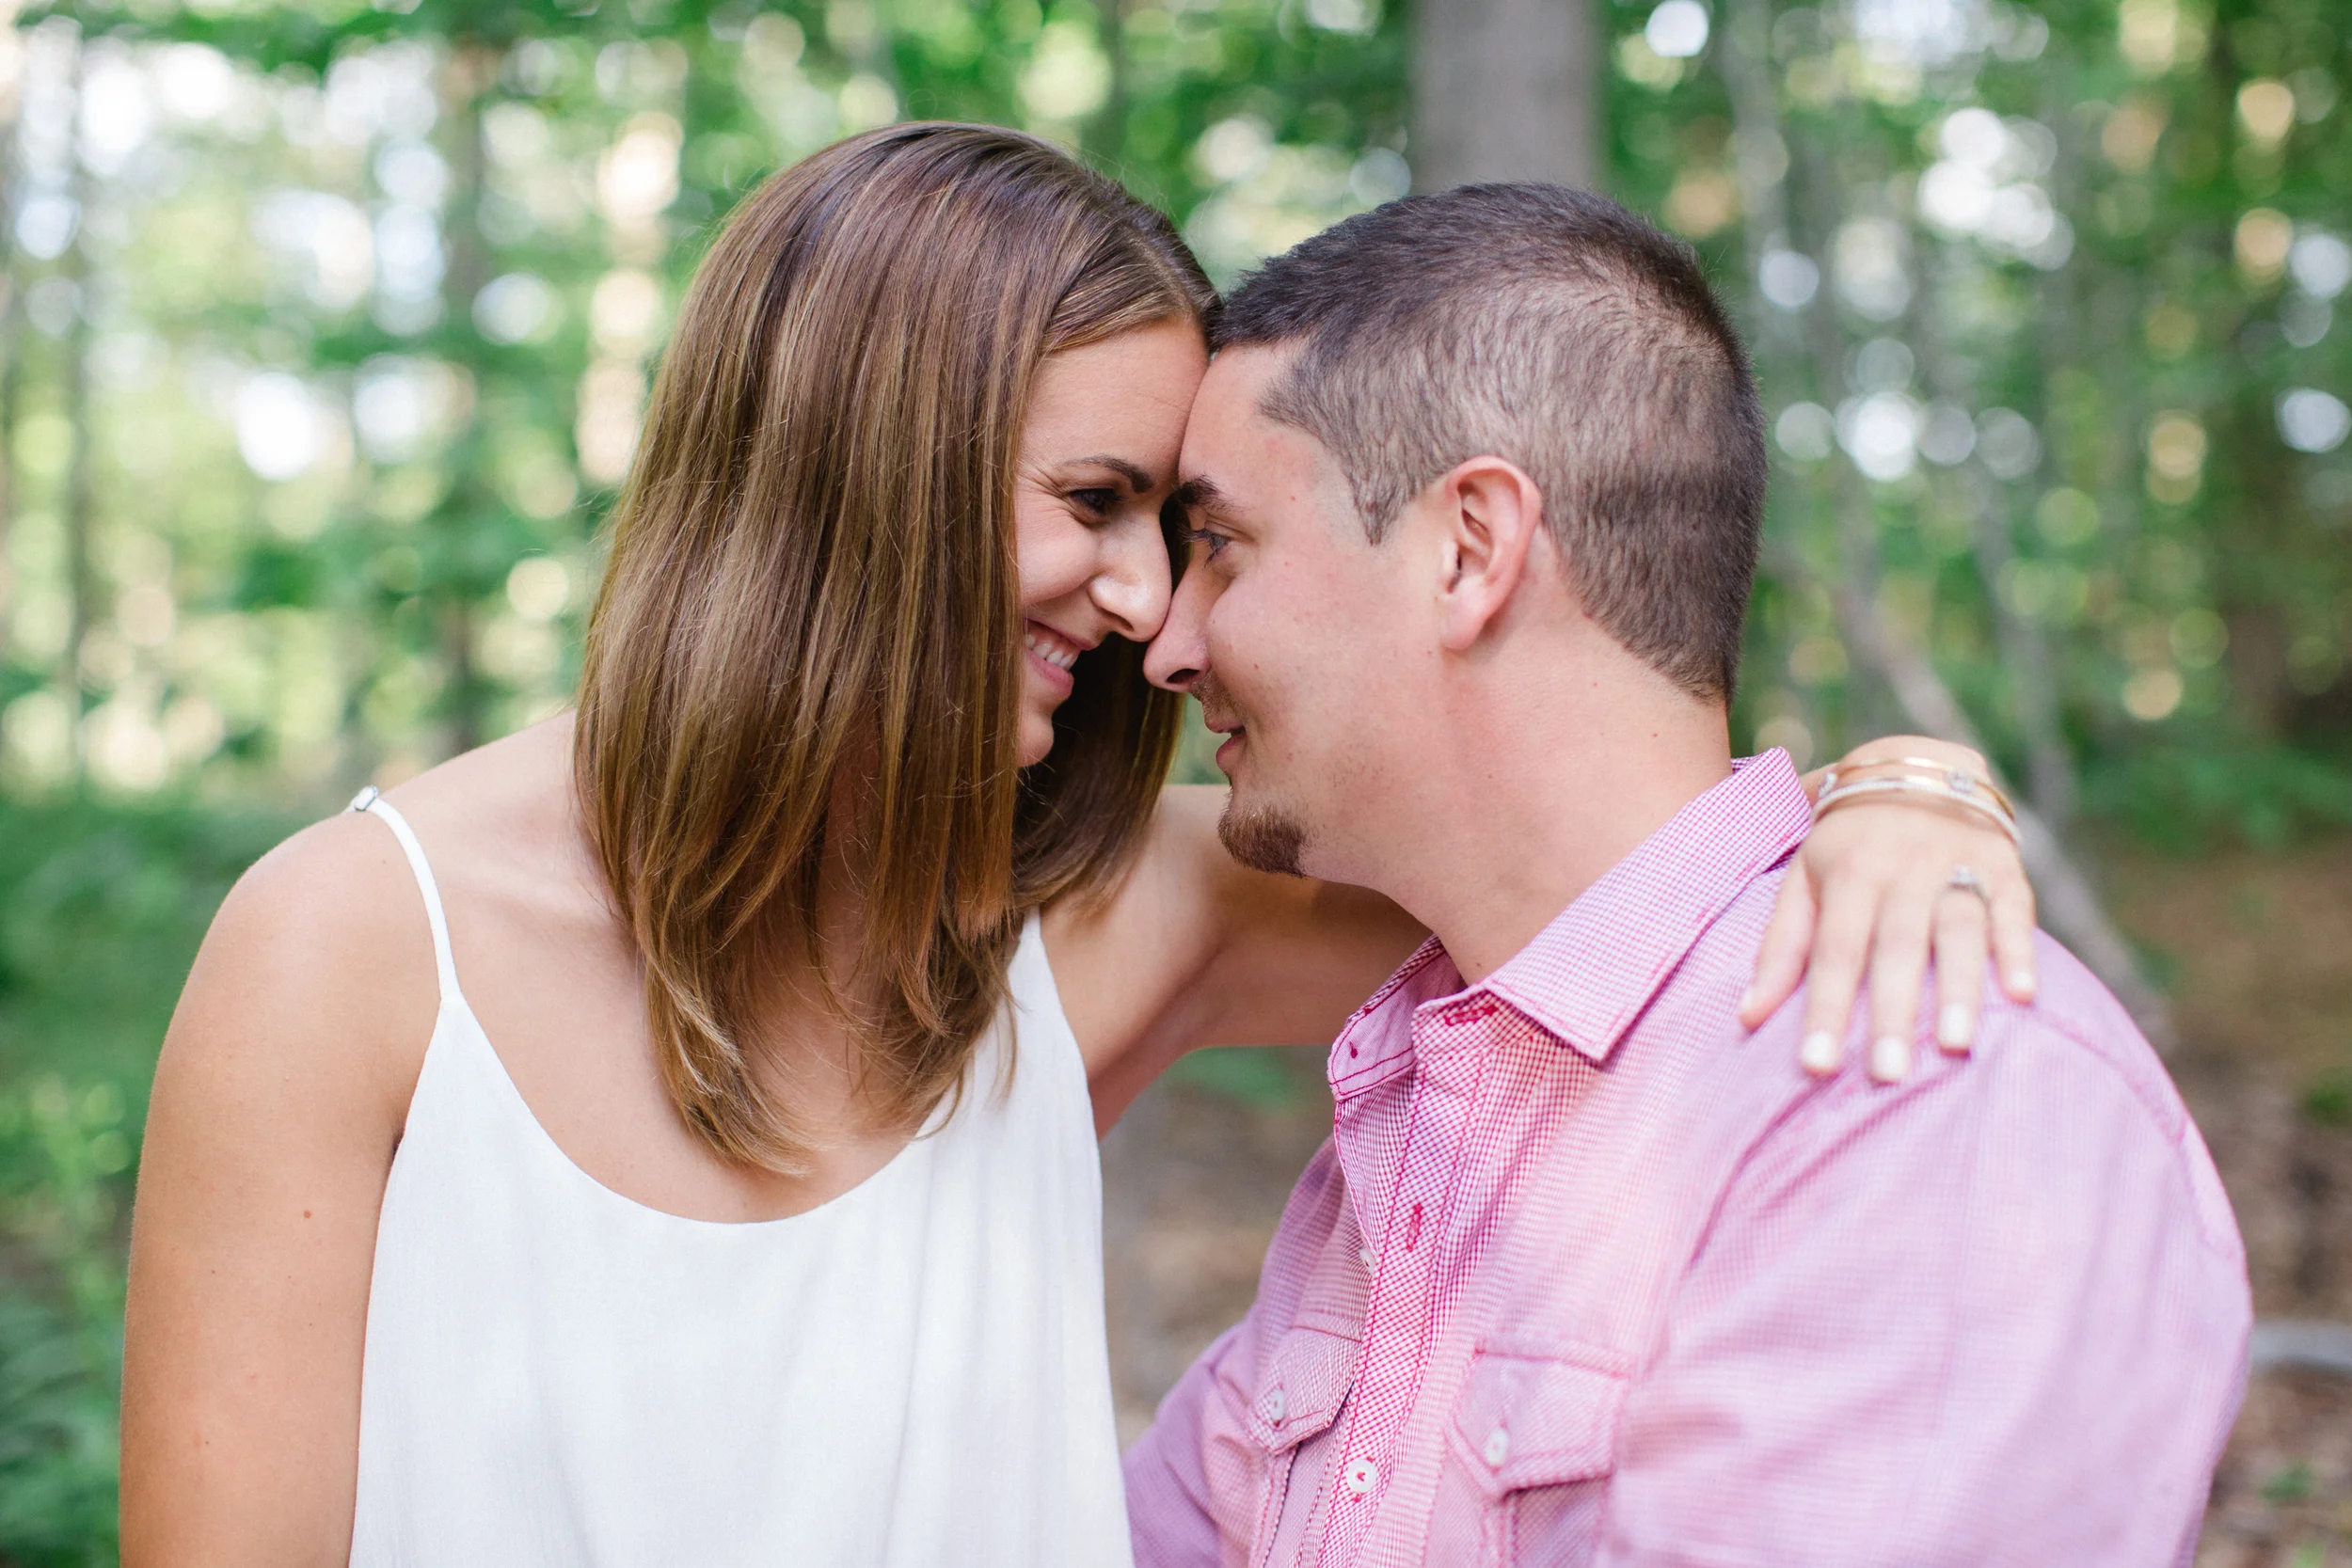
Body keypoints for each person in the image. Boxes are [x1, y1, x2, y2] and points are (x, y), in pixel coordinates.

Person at [120, 128, 2031, 1566]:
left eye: (1184, 530)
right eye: (1098, 501)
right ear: (865, 464)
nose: (1141, 601)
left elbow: (1595, 841)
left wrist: (1902, 789)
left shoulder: (1110, 913)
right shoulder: (349, 948)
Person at [1123, 183, 2252, 1566]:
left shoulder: (1921, 1087)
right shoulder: (1428, 1083)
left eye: (1221, 545)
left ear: (1470, 549)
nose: (1168, 639)